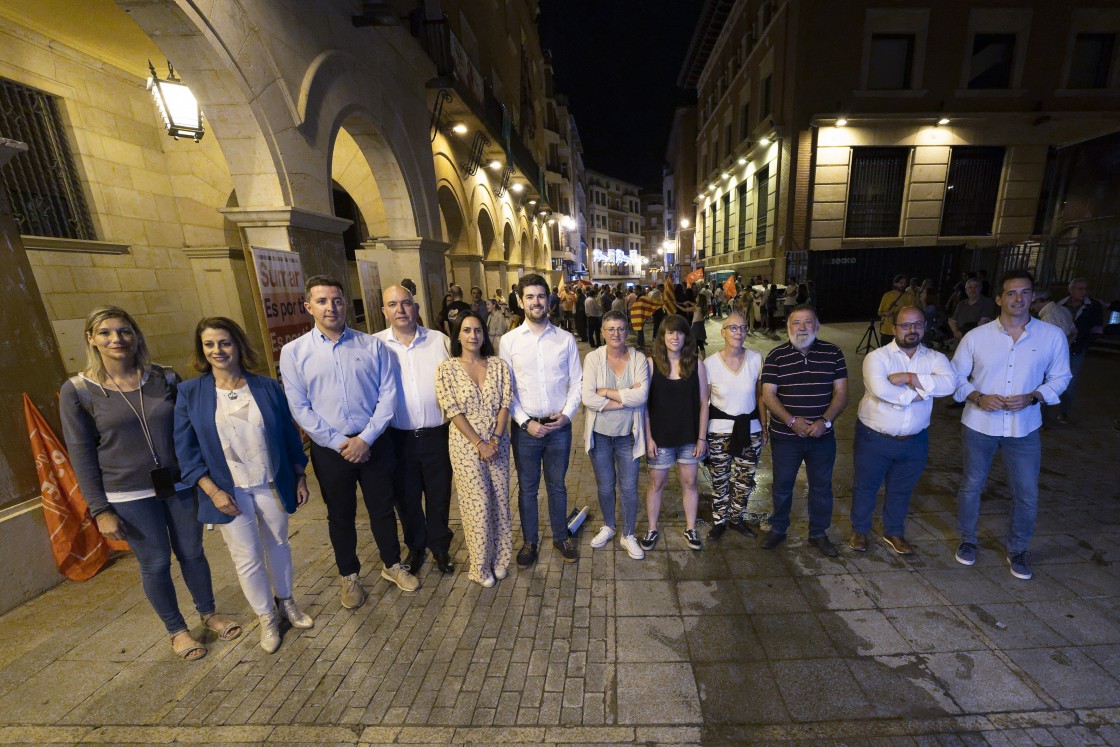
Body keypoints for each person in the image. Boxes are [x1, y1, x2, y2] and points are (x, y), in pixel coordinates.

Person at [60, 306, 239, 661]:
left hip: (178, 484)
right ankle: (177, 630)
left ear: (136, 335)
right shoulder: (78, 390)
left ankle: (209, 612)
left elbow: (188, 432)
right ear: (90, 339)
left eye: (124, 331)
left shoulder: (164, 378)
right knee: (156, 562)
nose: (116, 339)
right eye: (106, 332)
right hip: (128, 494)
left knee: (192, 552)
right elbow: (81, 455)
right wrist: (100, 510)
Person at [174, 317, 314, 653]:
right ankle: (266, 618)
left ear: (237, 344)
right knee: (247, 558)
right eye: (209, 344)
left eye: (224, 342)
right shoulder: (190, 393)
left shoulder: (266, 387)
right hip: (228, 491)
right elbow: (186, 450)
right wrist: (212, 490)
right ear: (202, 350)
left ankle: (286, 602)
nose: (217, 350)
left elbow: (288, 435)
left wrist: (300, 474)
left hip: (270, 483)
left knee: (279, 544)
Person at [280, 275, 418, 610]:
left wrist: (366, 438)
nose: (331, 307)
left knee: (383, 508)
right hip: (331, 451)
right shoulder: (294, 352)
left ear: (345, 303)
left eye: (337, 300)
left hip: (374, 443)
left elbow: (388, 396)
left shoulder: (372, 346)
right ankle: (349, 575)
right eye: (323, 301)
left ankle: (391, 564)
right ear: (308, 306)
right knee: (340, 515)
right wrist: (342, 442)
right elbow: (299, 407)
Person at [951, 270, 1071, 580]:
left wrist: (1035, 396)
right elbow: (955, 378)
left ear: (1033, 297)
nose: (1019, 298)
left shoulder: (1051, 336)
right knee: (972, 485)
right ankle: (968, 540)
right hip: (979, 424)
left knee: (1027, 492)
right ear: (1000, 298)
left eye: (1025, 292)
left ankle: (1018, 549)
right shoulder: (976, 338)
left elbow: (1061, 376)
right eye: (1012, 293)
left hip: (1024, 427)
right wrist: (977, 396)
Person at [848, 307, 957, 556]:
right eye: (905, 325)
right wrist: (923, 390)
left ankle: (893, 531)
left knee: (902, 488)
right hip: (874, 438)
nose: (912, 330)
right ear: (894, 328)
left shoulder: (935, 358)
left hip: (915, 440)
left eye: (917, 324)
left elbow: (949, 384)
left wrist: (908, 376)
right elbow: (882, 390)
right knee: (866, 486)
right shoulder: (877, 357)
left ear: (925, 326)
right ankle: (860, 530)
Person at [500, 273, 583, 566]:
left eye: (540, 296)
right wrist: (524, 422)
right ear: (521, 301)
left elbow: (577, 382)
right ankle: (530, 542)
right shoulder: (508, 342)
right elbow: (506, 389)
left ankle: (561, 537)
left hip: (559, 426)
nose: (536, 302)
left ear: (549, 300)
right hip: (525, 430)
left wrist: (567, 415)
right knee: (527, 488)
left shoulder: (565, 339)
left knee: (558, 485)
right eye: (530, 297)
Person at [375, 285, 454, 575]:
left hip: (437, 435)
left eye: (406, 303)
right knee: (406, 498)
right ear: (384, 311)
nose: (401, 310)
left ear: (416, 307)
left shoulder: (439, 341)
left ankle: (440, 547)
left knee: (439, 495)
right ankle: (416, 547)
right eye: (393, 304)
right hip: (398, 438)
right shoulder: (375, 345)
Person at [760, 305, 849, 556]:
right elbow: (768, 395)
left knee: (821, 486)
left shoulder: (833, 353)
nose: (802, 327)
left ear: (817, 326)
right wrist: (791, 422)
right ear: (788, 327)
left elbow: (841, 393)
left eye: (807, 322)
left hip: (822, 437)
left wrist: (825, 422)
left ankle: (818, 533)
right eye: (796, 322)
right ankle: (778, 528)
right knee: (782, 485)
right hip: (786, 437)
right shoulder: (776, 356)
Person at [436, 313, 513, 586]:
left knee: (500, 500)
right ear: (457, 335)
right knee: (476, 504)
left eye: (478, 330)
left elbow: (506, 403)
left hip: (498, 442)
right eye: (467, 330)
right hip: (465, 445)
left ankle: (501, 559)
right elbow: (452, 410)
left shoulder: (499, 365)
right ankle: (480, 567)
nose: (473, 335)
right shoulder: (447, 369)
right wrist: (479, 443)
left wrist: (494, 439)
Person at [581, 310, 650, 560]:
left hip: (627, 436)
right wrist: (624, 399)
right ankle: (609, 526)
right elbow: (588, 397)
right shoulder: (593, 358)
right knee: (606, 486)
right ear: (602, 332)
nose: (616, 333)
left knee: (630, 488)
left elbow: (642, 396)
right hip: (599, 435)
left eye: (620, 328)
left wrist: (607, 392)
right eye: (610, 329)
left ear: (627, 330)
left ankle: (628, 534)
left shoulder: (638, 358)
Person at [641, 314, 709, 551]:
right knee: (656, 484)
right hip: (659, 438)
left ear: (685, 336)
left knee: (690, 482)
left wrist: (702, 437)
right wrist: (648, 437)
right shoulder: (651, 365)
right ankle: (651, 529)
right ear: (663, 336)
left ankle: (690, 528)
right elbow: (644, 406)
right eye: (670, 332)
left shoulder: (696, 363)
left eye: (679, 332)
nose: (675, 337)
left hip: (689, 437)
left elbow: (703, 403)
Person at [704, 312, 768, 538]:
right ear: (722, 332)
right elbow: (704, 402)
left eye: (742, 328)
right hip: (719, 431)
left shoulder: (756, 359)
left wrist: (764, 425)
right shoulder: (710, 363)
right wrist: (701, 436)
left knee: (745, 479)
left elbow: (760, 396)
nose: (738, 332)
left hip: (749, 429)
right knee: (719, 478)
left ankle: (736, 518)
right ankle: (719, 520)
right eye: (733, 328)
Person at [1057, 278, 1105, 424]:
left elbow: (1096, 328)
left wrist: (1085, 344)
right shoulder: (1060, 304)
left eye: (1085, 289)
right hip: (1059, 349)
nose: (1083, 292)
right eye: (1080, 289)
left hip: (1077, 349)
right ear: (1071, 290)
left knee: (1071, 382)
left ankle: (1064, 412)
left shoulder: (1093, 307)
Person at [948, 278, 996, 343]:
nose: (973, 289)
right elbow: (953, 321)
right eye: (970, 287)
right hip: (959, 337)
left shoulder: (987, 302)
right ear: (966, 290)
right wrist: (956, 333)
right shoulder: (961, 303)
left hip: (976, 339)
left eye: (976, 287)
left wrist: (963, 335)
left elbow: (984, 323)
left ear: (981, 288)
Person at [877, 274, 918, 346]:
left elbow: (913, 313)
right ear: (895, 283)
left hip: (901, 330)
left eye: (905, 283)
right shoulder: (887, 295)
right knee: (885, 351)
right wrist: (885, 313)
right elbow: (879, 312)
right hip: (887, 329)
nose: (903, 285)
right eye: (901, 283)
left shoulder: (909, 297)